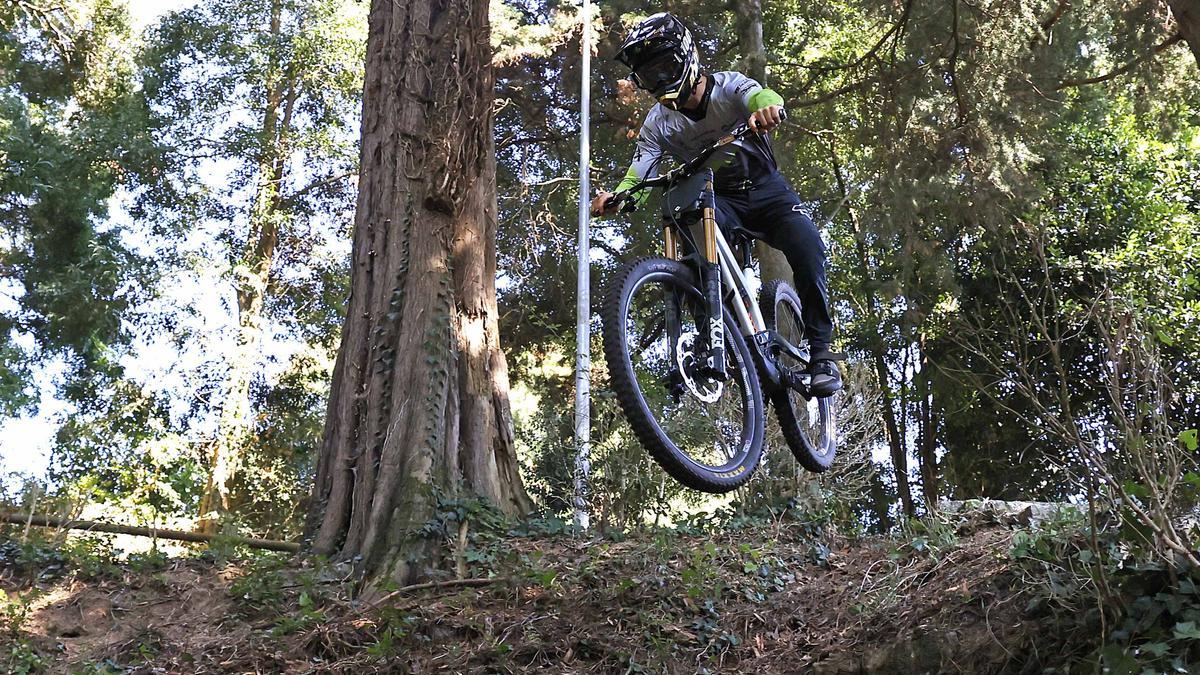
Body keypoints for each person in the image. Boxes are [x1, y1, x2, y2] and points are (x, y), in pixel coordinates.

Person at [591, 12, 842, 396]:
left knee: (807, 247)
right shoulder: (658, 123)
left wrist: (767, 109)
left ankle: (822, 352)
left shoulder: (728, 87)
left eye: (664, 67)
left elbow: (761, 95)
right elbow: (639, 172)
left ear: (687, 56)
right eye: (649, 76)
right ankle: (719, 342)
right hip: (717, 200)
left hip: (766, 191)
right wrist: (619, 198)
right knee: (695, 252)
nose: (659, 81)